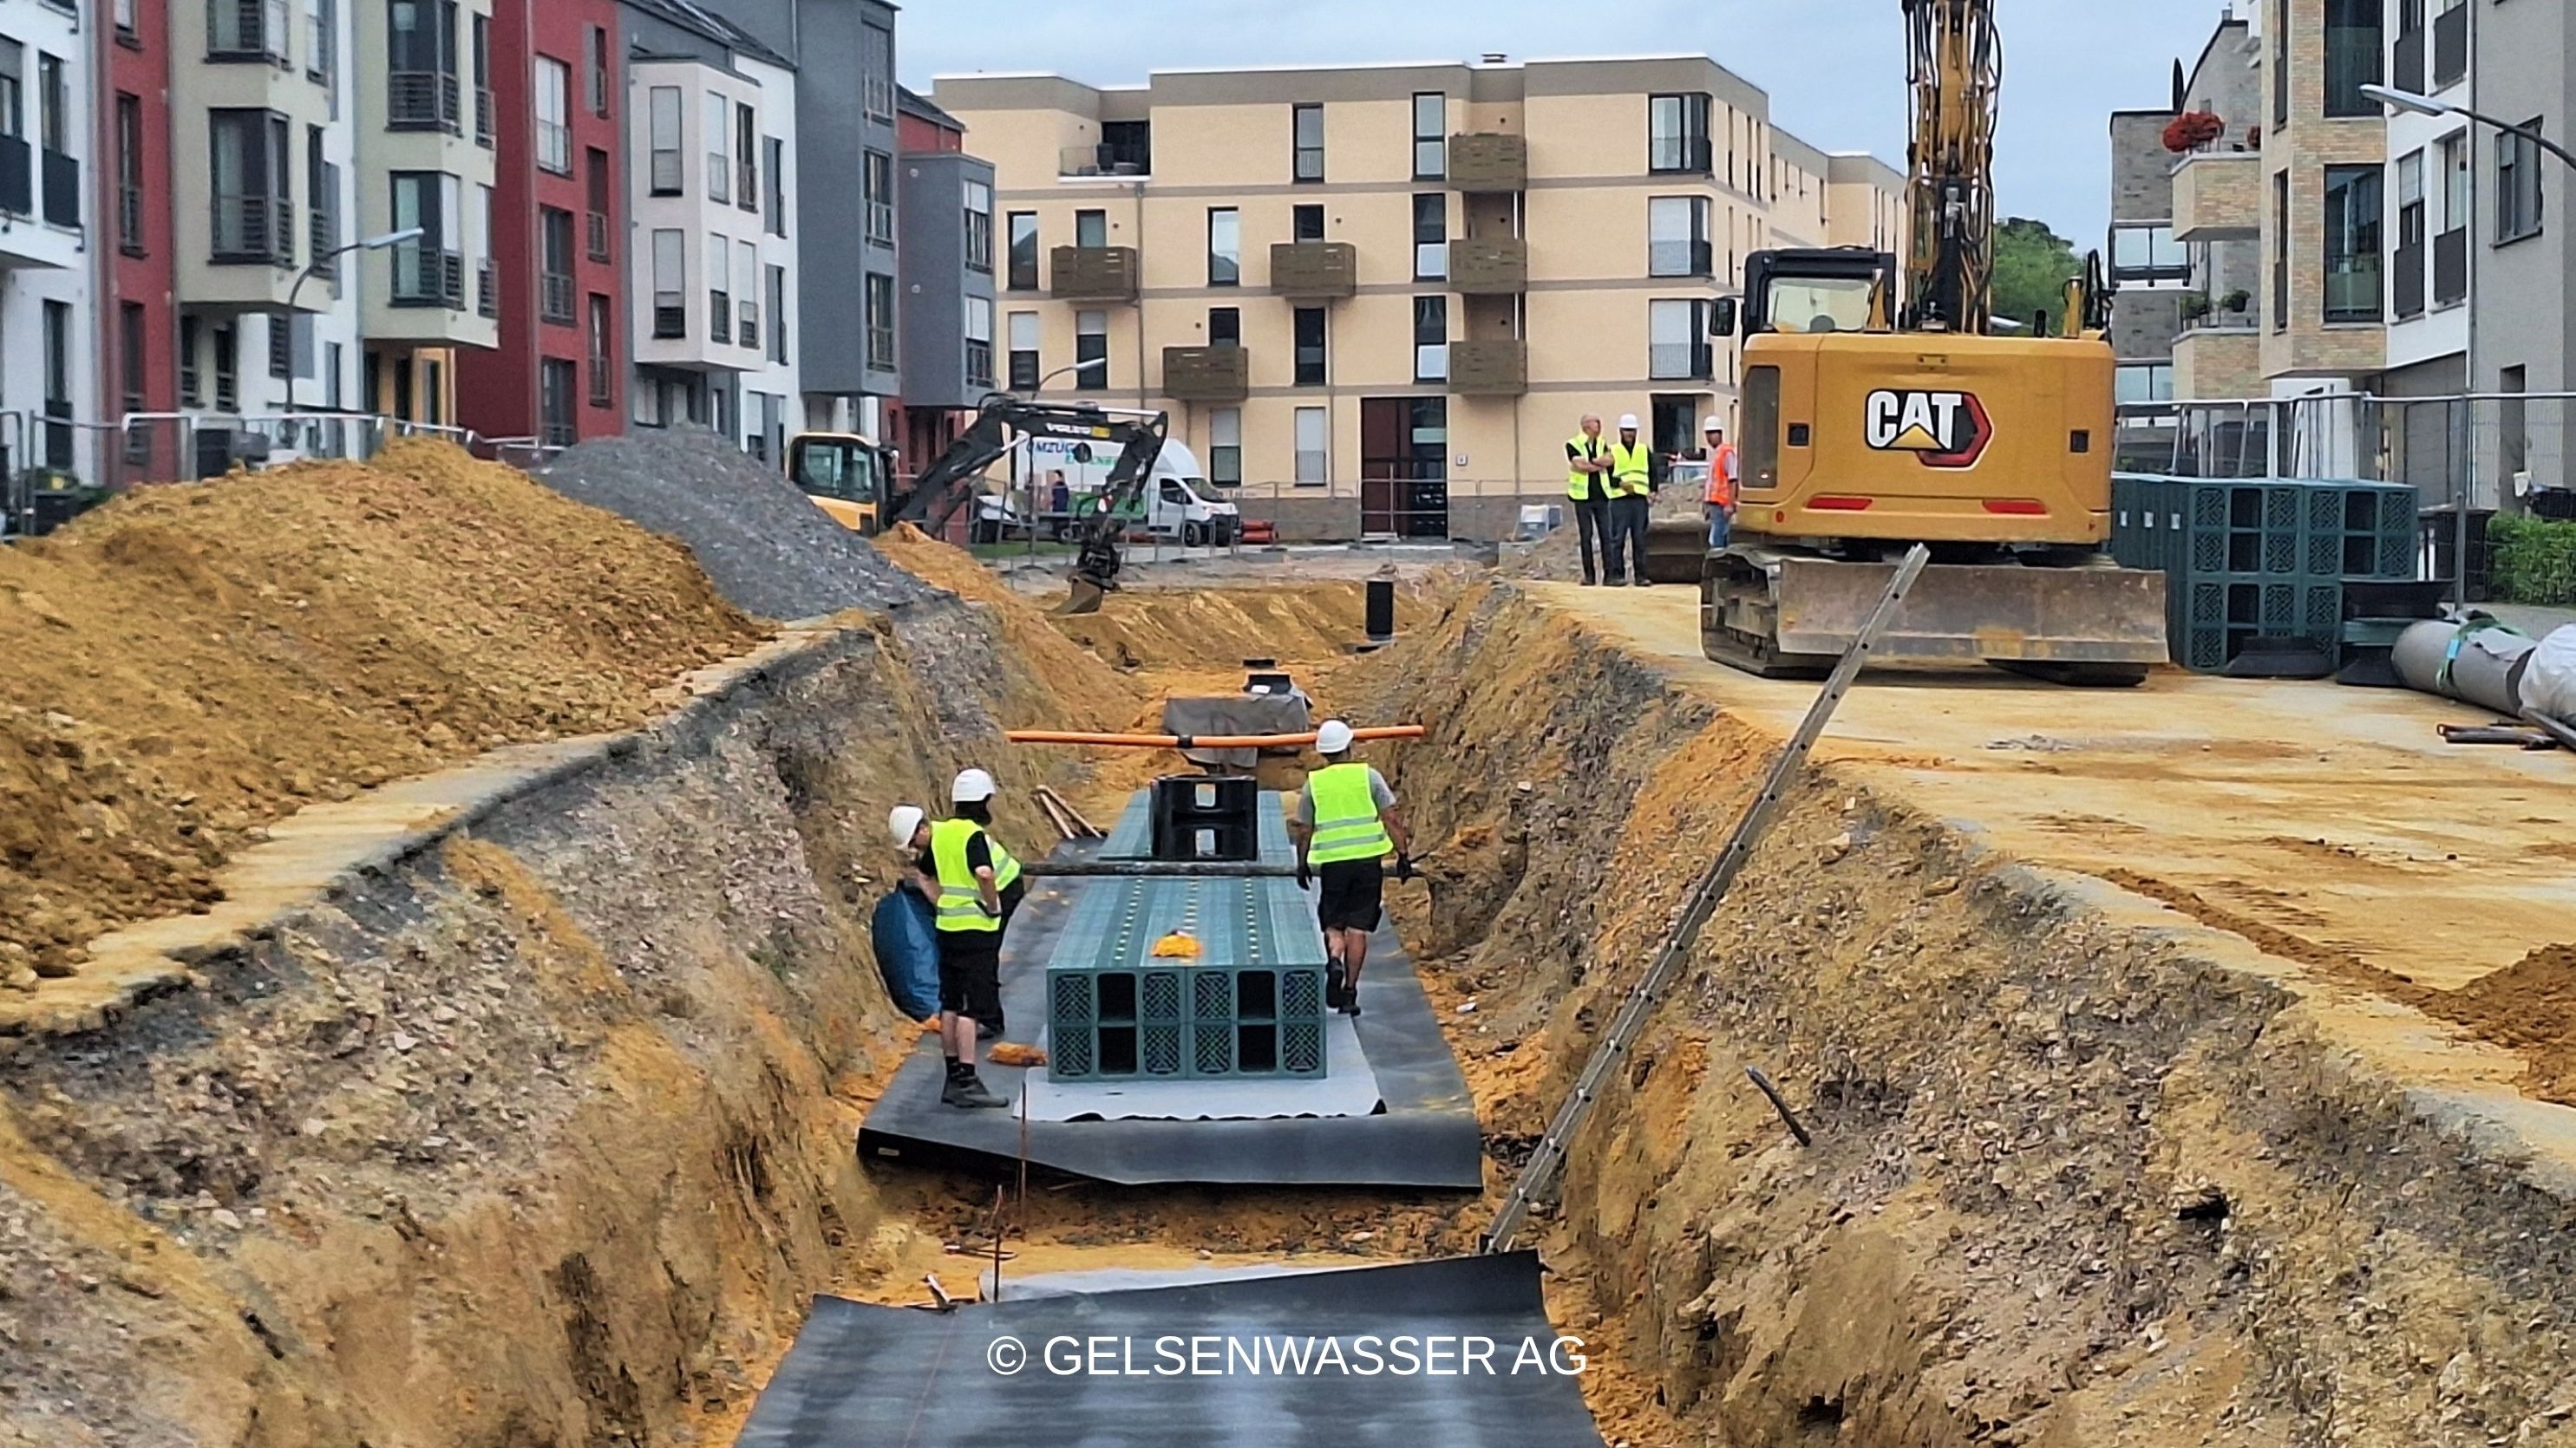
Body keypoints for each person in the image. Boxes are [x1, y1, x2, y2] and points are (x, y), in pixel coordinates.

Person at [909, 770, 1020, 1109]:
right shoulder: (974, 835)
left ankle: (952, 1077)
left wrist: (939, 901)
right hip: (976, 927)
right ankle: (968, 1081)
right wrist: (992, 904)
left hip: (949, 927)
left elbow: (924, 873)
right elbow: (985, 873)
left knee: (951, 1004)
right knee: (971, 1008)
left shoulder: (940, 834)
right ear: (984, 802)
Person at [1290, 720, 1412, 1019]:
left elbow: (1304, 829)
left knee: (1334, 924)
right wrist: (1403, 855)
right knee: (1358, 928)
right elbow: (1391, 818)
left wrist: (1302, 863)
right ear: (1349, 746)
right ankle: (1349, 992)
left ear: (1323, 753)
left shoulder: (1314, 784)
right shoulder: (1368, 777)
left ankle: (1334, 957)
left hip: (1333, 864)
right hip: (1368, 863)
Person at [1564, 415, 1616, 586]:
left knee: (1606, 537)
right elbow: (1580, 465)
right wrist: (1598, 465)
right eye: (1596, 423)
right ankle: (1589, 576)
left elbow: (1610, 459)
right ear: (1586, 426)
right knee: (1586, 536)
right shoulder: (1573, 444)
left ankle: (1610, 576)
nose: (1599, 426)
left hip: (1601, 496)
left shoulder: (1602, 443)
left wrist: (1593, 462)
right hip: (1583, 498)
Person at [1605, 414, 1656, 586]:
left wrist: (1654, 490)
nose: (1629, 434)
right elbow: (1606, 476)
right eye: (1627, 430)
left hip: (1639, 500)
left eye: (1632, 431)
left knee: (1640, 539)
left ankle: (1641, 576)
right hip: (1619, 500)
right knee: (1617, 539)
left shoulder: (1643, 450)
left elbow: (1652, 471)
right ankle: (1617, 575)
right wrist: (1620, 483)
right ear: (1620, 431)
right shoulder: (1612, 451)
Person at [1703, 417, 1740, 549]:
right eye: (1707, 434)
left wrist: (1730, 503)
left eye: (1712, 433)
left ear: (1720, 434)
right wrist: (1706, 502)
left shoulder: (1727, 452)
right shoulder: (1714, 454)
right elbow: (1711, 481)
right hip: (1714, 504)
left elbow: (1732, 479)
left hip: (1722, 504)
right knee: (1716, 538)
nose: (1709, 437)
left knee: (1717, 540)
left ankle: (1719, 566)